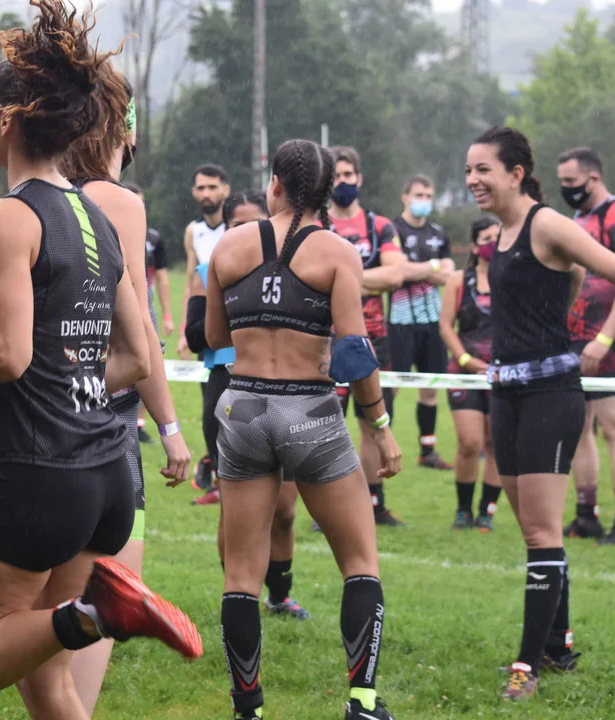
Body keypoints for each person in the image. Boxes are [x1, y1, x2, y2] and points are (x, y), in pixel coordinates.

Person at [0, 2, 201, 713]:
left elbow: (10, 353)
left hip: (40, 479)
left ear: (10, 117)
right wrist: (37, 383)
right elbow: (136, 357)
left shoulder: (10, 214)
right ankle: (90, 612)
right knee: (47, 684)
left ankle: (93, 614)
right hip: (107, 478)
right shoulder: (96, 213)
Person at [207, 138, 401, 720]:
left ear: (274, 184)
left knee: (240, 575)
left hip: (242, 409)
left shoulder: (228, 245)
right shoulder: (338, 252)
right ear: (326, 193)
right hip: (310, 410)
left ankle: (248, 709)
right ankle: (362, 701)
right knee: (359, 562)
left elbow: (213, 338)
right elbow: (353, 352)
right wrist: (379, 425)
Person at [465, 126, 615, 700]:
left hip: (550, 395)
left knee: (542, 531)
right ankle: (558, 645)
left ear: (516, 173)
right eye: (468, 170)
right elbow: (564, 283)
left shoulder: (546, 223)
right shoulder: (501, 232)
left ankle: (527, 667)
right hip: (506, 394)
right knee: (533, 529)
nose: (472, 180)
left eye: (483, 170)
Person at [59, 68, 193, 715]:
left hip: (39, 418)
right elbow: (136, 331)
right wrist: (171, 428)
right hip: (101, 424)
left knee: (43, 604)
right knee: (104, 595)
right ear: (122, 128)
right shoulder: (119, 201)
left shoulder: (35, 198)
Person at [185, 189, 310, 621]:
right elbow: (196, 337)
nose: (247, 231)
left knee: (285, 510)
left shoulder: (292, 270)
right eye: (237, 224)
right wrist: (236, 310)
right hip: (229, 388)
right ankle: (240, 597)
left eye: (256, 222)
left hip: (285, 389)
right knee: (235, 508)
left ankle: (280, 595)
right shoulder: (210, 271)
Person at [558, 147, 615, 546]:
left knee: (613, 427)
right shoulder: (578, 219)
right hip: (574, 339)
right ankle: (586, 515)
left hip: (612, 340)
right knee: (579, 428)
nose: (566, 188)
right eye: (562, 182)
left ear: (593, 178)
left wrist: (605, 339)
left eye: (571, 182)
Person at [328, 146, 411, 527]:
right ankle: (329, 505)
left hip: (373, 338)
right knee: (326, 423)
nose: (342, 182)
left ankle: (375, 503)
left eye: (348, 175)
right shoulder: (318, 225)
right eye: (335, 176)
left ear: (359, 178)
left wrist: (339, 281)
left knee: (373, 423)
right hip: (326, 339)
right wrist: (366, 280)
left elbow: (395, 274)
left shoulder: (379, 226)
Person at [438, 218, 503, 531]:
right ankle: (463, 510)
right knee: (470, 442)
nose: (494, 243)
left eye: (498, 237)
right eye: (487, 238)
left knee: (497, 445)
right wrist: (465, 359)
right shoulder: (458, 280)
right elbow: (445, 325)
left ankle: (486, 511)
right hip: (464, 371)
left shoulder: (514, 278)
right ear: (475, 246)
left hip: (503, 372)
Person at [388, 174, 455, 470]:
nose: (424, 201)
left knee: (430, 386)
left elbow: (449, 274)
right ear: (405, 197)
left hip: (433, 321)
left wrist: (418, 270)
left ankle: (427, 451)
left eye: (428, 196)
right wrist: (433, 267)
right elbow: (398, 272)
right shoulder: (392, 230)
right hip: (400, 321)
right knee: (392, 386)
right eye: (419, 195)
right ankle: (383, 444)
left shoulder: (438, 233)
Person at [178, 163, 230, 491]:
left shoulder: (238, 226)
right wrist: (186, 328)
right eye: (201, 188)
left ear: (226, 189)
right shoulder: (192, 232)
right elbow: (191, 280)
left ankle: (224, 469)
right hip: (205, 326)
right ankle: (215, 465)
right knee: (210, 403)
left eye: (212, 187)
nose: (206, 194)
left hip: (237, 326)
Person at [126, 182, 173, 445]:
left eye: (140, 202)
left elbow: (163, 278)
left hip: (147, 304)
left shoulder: (153, 238)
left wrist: (167, 315)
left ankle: (140, 422)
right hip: (120, 306)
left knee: (149, 361)